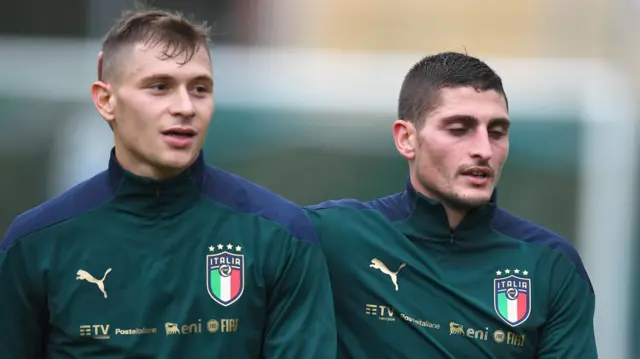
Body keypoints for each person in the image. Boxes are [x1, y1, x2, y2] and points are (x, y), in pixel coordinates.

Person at [0, 8, 336, 359]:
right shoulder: (36, 244)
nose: (186, 107)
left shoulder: (280, 235)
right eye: (160, 87)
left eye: (200, 89)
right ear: (106, 100)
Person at [306, 52, 597, 358]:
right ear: (406, 138)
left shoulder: (551, 266)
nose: (484, 150)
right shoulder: (333, 236)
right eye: (459, 129)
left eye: (497, 132)